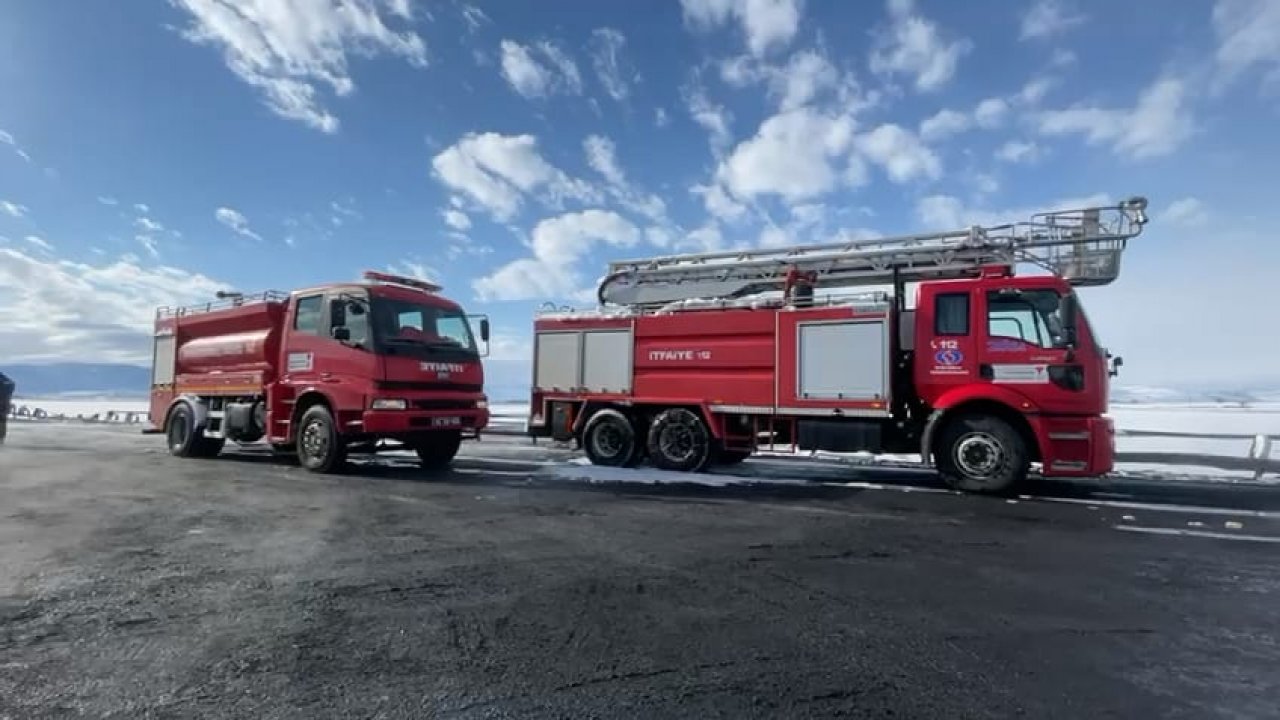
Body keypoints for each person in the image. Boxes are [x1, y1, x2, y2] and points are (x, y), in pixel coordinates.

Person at [0, 371, 13, 445]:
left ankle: (1, 438)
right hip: (4, 404)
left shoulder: (4, 380)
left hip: (3, 404)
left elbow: (10, 384)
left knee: (2, 420)